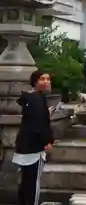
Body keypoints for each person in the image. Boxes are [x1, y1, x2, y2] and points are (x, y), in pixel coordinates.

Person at [13, 70, 54, 205]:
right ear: (35, 82)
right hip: (34, 147)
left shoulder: (32, 98)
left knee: (26, 181)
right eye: (42, 79)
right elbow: (38, 125)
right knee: (33, 183)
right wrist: (47, 142)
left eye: (48, 79)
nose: (46, 82)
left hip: (25, 145)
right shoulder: (37, 99)